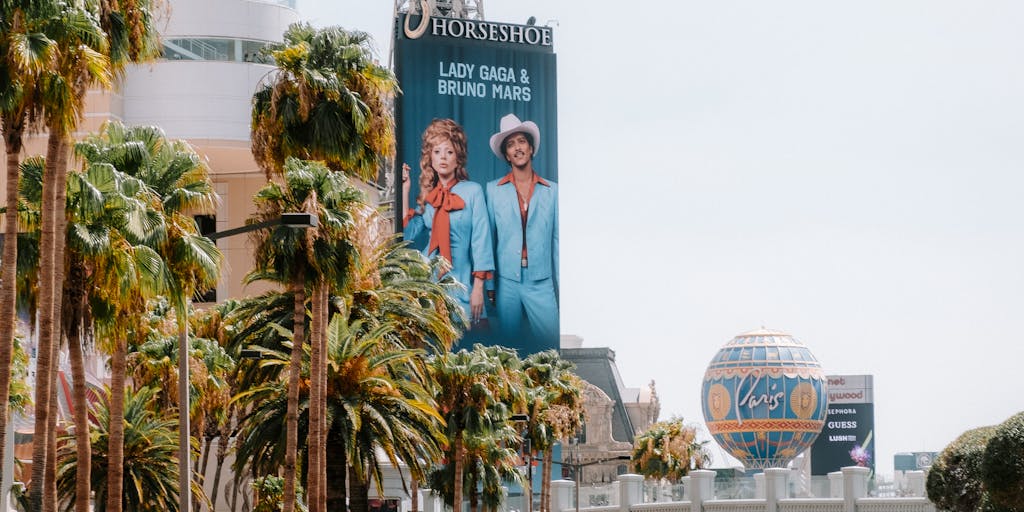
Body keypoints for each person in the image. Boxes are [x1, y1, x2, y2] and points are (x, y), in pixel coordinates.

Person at [403, 118, 494, 325]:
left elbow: (482, 240)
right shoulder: (428, 196)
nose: (443, 157)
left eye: (449, 152)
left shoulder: (473, 191)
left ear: (458, 158)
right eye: (437, 152)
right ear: (431, 158)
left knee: (476, 343)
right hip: (428, 285)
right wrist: (406, 189)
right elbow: (406, 235)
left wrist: (479, 287)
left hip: (462, 284)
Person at [485, 113, 558, 348]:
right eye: (510, 144)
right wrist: (490, 284)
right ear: (506, 154)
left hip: (542, 281)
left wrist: (561, 283)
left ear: (531, 147)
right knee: (508, 353)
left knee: (549, 349)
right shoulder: (493, 191)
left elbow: (557, 242)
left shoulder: (553, 191)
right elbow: (488, 240)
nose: (517, 148)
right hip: (507, 281)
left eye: (521, 142)